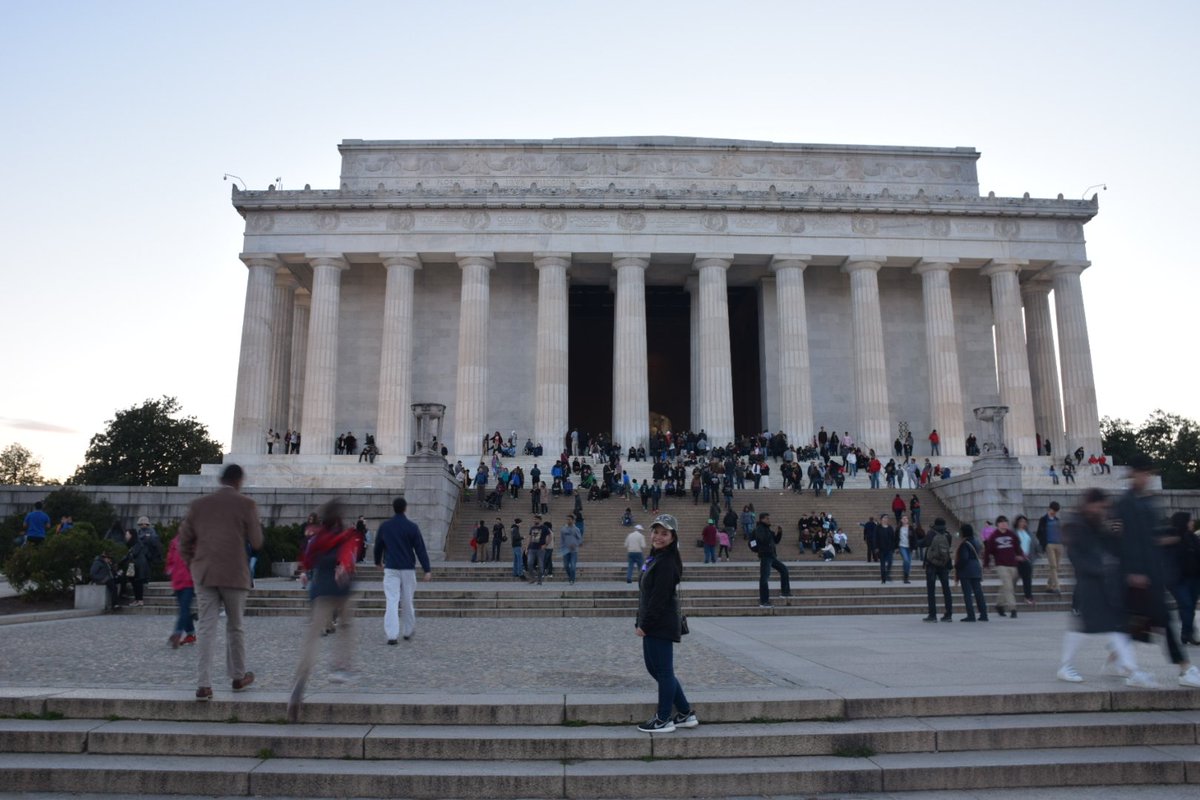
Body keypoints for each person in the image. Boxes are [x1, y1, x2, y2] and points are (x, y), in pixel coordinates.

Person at [177, 464, 264, 701]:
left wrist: (193, 564)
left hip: (204, 573)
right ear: (239, 481)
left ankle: (203, 684)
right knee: (235, 626)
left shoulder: (199, 505)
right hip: (234, 573)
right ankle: (237, 676)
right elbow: (256, 542)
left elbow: (183, 541)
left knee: (206, 627)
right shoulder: (247, 504)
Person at [1116, 455, 1200, 688]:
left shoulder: (1147, 501)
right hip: (1137, 574)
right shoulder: (1126, 503)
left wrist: (1168, 538)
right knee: (1157, 620)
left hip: (1152, 572)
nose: (1148, 478)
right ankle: (1184, 668)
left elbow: (1150, 536)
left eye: (1149, 473)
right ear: (1134, 474)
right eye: (1144, 473)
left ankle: (1119, 660)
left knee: (1139, 623)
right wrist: (1134, 571)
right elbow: (1128, 541)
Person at [1057, 487, 1145, 684]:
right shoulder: (1076, 524)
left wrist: (1116, 534)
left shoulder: (1094, 522)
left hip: (1103, 582)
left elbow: (1108, 547)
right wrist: (1099, 568)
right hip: (1089, 583)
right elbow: (1076, 556)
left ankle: (1132, 669)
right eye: (1100, 506)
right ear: (1091, 504)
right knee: (1083, 628)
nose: (1102, 510)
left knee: (1115, 625)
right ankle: (1065, 666)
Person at [288, 500, 360, 723]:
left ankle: (301, 679)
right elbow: (348, 556)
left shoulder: (317, 537)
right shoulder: (347, 535)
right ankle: (340, 667)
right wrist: (344, 566)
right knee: (346, 627)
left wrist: (306, 570)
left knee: (313, 636)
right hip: (342, 589)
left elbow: (307, 560)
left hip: (320, 590)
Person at [635, 513, 697, 733]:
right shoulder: (656, 558)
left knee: (663, 671)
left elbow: (659, 598)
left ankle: (663, 718)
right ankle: (685, 712)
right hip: (654, 622)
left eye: (664, 533)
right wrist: (639, 620)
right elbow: (646, 594)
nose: (658, 537)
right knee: (657, 669)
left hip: (660, 624)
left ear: (673, 537)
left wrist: (646, 624)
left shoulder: (667, 562)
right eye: (656, 532)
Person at [374, 497, 432, 644]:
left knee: (392, 601)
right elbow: (420, 549)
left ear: (393, 508)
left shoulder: (385, 526)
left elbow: (378, 546)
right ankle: (407, 631)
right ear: (405, 508)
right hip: (407, 568)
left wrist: (377, 562)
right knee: (407, 600)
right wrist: (427, 569)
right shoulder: (412, 527)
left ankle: (392, 635)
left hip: (391, 567)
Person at [1165, 512, 1200, 646]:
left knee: (1189, 607)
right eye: (1190, 520)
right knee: (1186, 604)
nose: (1192, 522)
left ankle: (1187, 632)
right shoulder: (1172, 538)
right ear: (1183, 522)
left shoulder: (1193, 538)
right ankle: (1187, 633)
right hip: (1178, 579)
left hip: (1194, 577)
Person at [983, 516, 1023, 619]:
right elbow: (988, 551)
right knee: (1009, 587)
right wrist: (986, 564)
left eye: (1005, 522)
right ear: (997, 524)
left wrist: (1020, 555)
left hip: (1013, 564)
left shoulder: (1011, 535)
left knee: (1007, 586)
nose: (1004, 524)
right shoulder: (994, 536)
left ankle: (999, 605)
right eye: (1001, 522)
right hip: (1001, 565)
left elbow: (1017, 546)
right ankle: (1013, 609)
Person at [752, 512, 791, 607]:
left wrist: (779, 532)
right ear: (762, 519)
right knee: (764, 578)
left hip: (772, 556)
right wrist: (770, 533)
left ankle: (785, 592)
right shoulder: (760, 529)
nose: (769, 520)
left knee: (784, 570)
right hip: (765, 556)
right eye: (767, 519)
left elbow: (776, 540)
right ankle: (764, 601)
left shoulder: (767, 529)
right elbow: (763, 540)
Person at [165, 534, 196, 647]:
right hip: (177, 581)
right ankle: (191, 634)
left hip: (189, 581)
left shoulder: (194, 541)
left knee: (184, 608)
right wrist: (170, 570)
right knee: (184, 609)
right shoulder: (174, 542)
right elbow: (170, 559)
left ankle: (177, 633)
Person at [921, 518, 954, 622]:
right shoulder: (948, 535)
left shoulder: (931, 533)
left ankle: (932, 615)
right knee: (946, 589)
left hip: (931, 565)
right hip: (944, 564)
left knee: (931, 590)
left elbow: (924, 543)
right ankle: (948, 614)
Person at [954, 524, 989, 622]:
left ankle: (971, 615)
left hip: (966, 571)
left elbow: (964, 558)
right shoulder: (976, 541)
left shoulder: (965, 544)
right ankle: (984, 614)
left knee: (967, 594)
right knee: (978, 593)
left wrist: (957, 566)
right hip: (976, 568)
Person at [1036, 502, 1065, 594]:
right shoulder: (1043, 519)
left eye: (1056, 511)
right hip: (1049, 545)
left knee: (1057, 567)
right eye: (1053, 510)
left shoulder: (1057, 520)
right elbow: (1038, 533)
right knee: (1053, 566)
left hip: (1059, 545)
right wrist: (1044, 543)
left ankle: (1049, 585)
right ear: (1049, 508)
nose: (1054, 512)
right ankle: (1057, 586)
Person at [1013, 515, 1041, 606]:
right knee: (1013, 579)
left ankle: (1028, 597)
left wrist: (1038, 551)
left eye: (1024, 522)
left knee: (1027, 579)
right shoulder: (1013, 533)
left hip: (1027, 559)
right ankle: (1008, 596)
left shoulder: (1028, 533)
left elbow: (1035, 543)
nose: (1023, 523)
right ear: (1017, 522)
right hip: (1016, 559)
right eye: (1021, 521)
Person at [119, 529, 150, 607]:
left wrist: (124, 559)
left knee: (138, 583)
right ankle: (137, 600)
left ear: (131, 535)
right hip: (135, 566)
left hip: (139, 567)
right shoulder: (133, 544)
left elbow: (134, 554)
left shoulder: (137, 543)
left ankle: (139, 600)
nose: (126, 536)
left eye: (127, 534)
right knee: (135, 583)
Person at [560, 513, 582, 585]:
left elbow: (580, 540)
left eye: (569, 519)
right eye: (567, 519)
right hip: (565, 550)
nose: (568, 521)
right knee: (566, 565)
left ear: (573, 520)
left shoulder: (576, 529)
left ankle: (572, 579)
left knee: (573, 566)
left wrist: (575, 544)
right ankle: (570, 577)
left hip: (573, 550)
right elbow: (562, 539)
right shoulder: (563, 529)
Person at [875, 514, 897, 584]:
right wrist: (876, 547)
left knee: (890, 562)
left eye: (887, 518)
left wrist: (894, 547)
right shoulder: (878, 528)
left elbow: (893, 538)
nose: (886, 519)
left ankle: (887, 574)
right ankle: (883, 579)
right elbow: (875, 538)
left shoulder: (890, 528)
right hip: (881, 549)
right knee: (882, 565)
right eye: (884, 518)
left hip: (889, 549)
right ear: (881, 519)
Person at [896, 513, 914, 584]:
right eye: (903, 519)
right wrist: (896, 547)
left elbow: (914, 538)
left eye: (906, 518)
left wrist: (914, 546)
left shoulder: (911, 528)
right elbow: (895, 538)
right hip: (902, 546)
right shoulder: (898, 528)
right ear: (901, 520)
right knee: (906, 560)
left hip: (909, 547)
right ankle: (905, 576)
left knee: (908, 563)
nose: (905, 520)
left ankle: (906, 577)